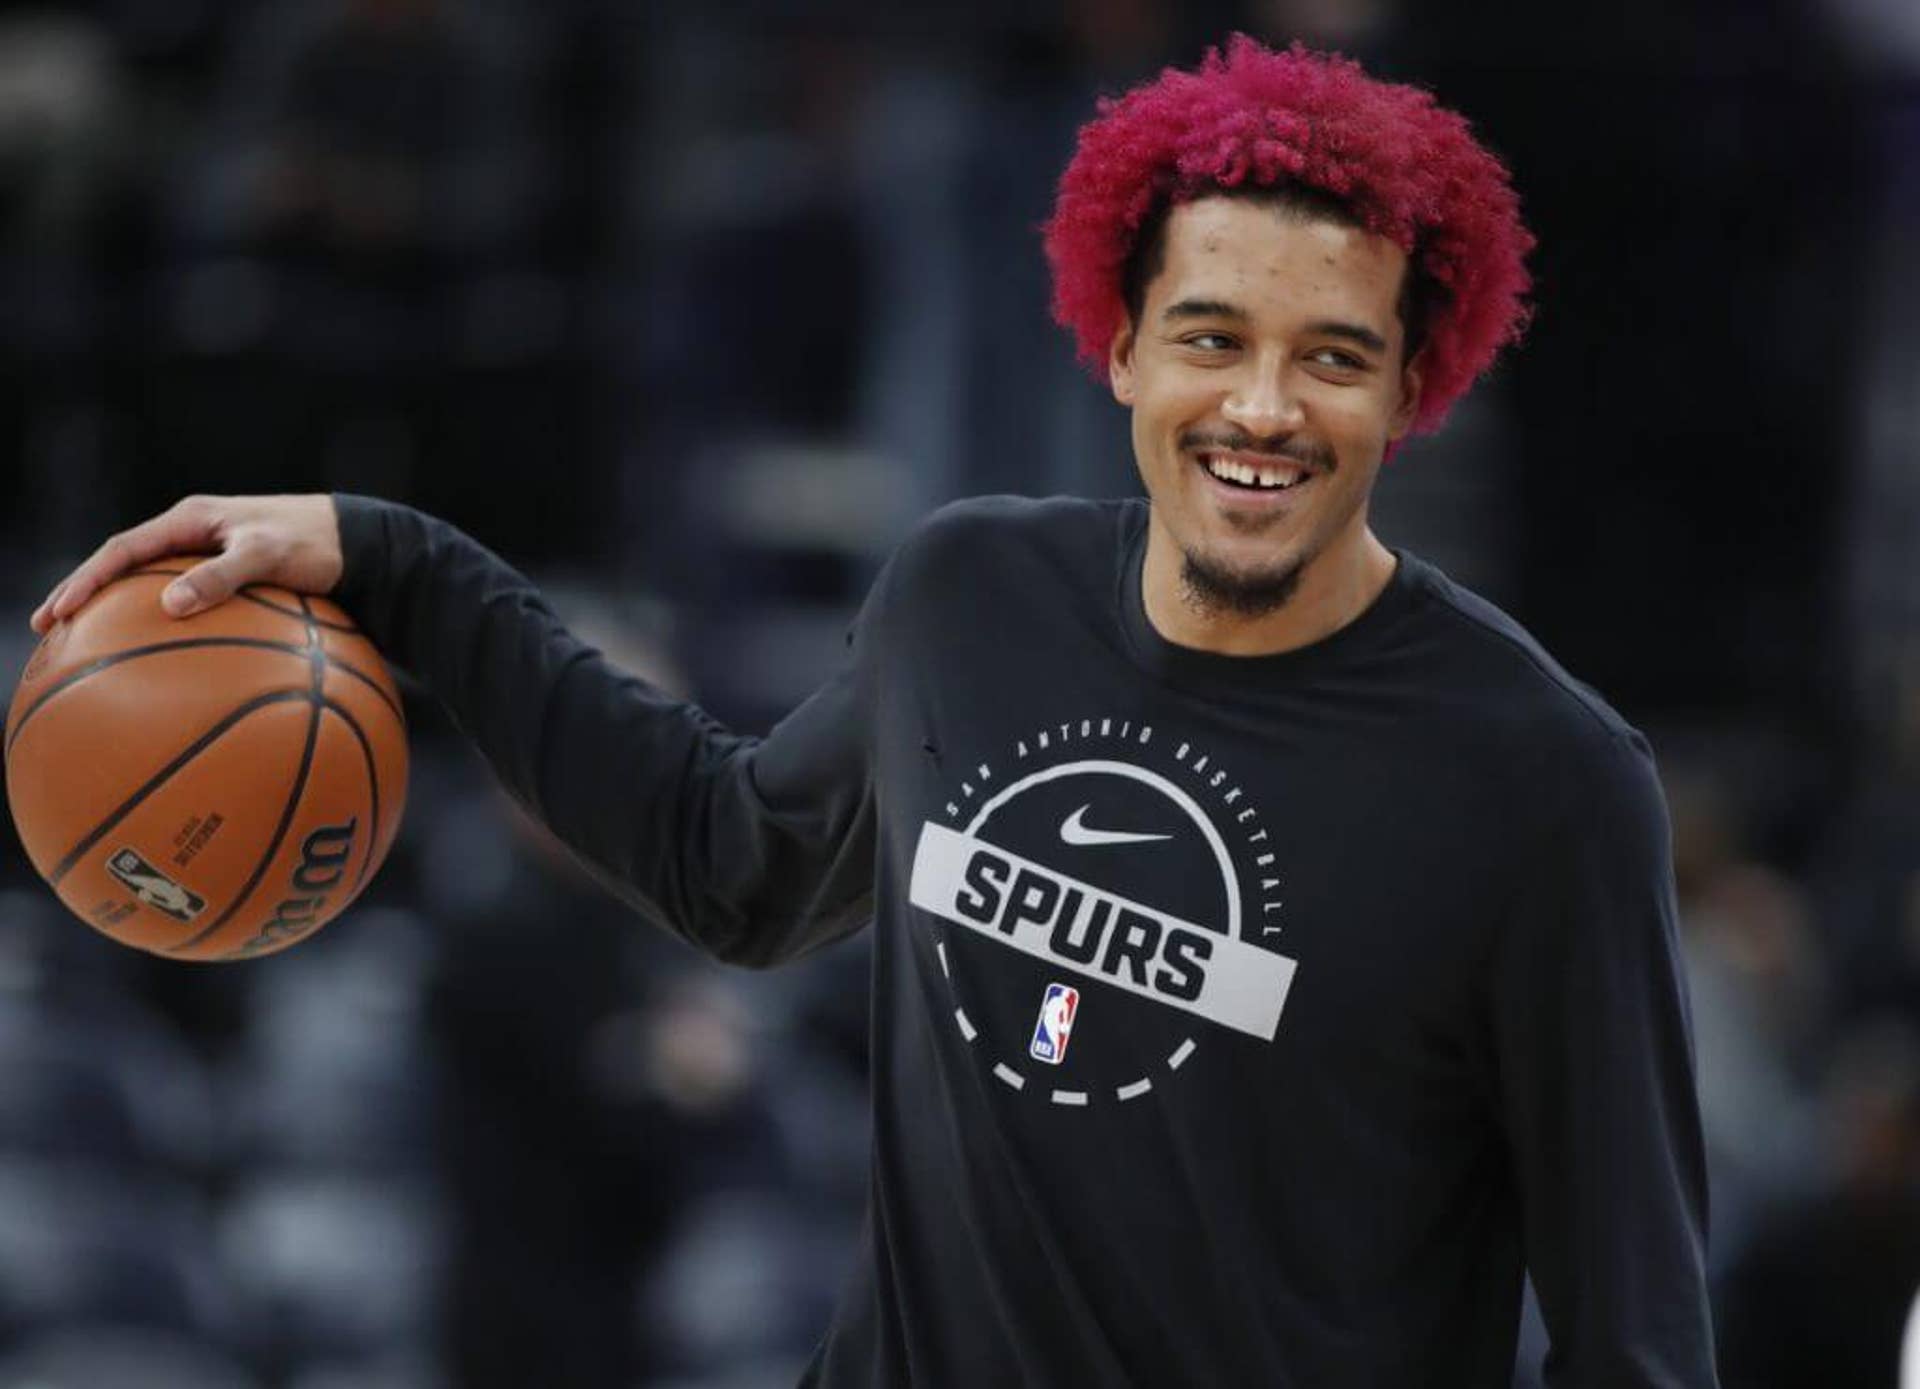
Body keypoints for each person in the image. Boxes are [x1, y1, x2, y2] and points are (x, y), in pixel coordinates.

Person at [28, 36, 1719, 1388]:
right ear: (1119, 342)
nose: (1261, 407)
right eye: (1211, 335)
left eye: (1334, 357)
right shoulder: (968, 598)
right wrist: (392, 561)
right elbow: (730, 863)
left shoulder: (1547, 779)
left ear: (1415, 382)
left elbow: (1636, 1338)